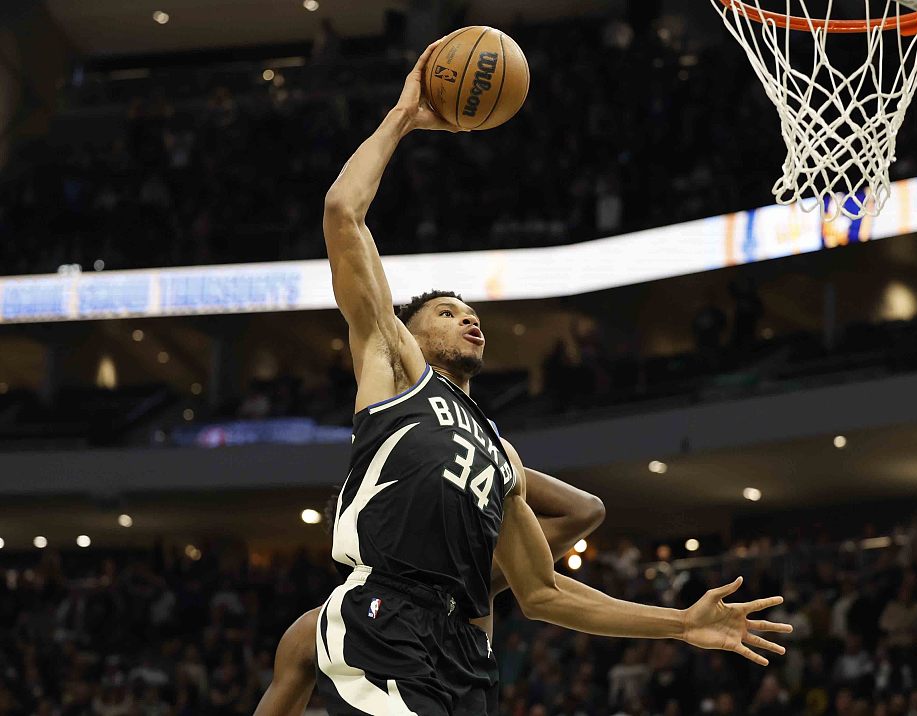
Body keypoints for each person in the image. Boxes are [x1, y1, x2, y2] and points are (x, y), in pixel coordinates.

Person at [299, 39, 792, 715]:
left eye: (473, 313)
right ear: (411, 335)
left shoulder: (501, 456)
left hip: (464, 655)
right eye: (448, 312)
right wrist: (404, 116)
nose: (469, 320)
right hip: (385, 618)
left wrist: (680, 623)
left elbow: (545, 594)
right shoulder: (394, 369)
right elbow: (342, 214)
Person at [255, 467, 606, 716]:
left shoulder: (465, 584)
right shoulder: (311, 632)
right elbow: (581, 512)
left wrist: (480, 456)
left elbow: (583, 511)